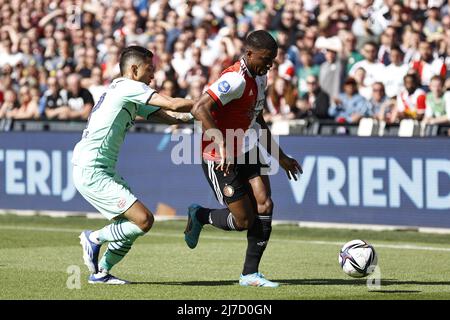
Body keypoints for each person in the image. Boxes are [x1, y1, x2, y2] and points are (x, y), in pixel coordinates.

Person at [184, 30, 302, 288]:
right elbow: (199, 108)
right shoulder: (235, 80)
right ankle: (200, 216)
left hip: (247, 147)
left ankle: (250, 274)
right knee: (243, 221)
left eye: (272, 60)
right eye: (265, 59)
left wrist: (280, 157)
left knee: (265, 205)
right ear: (249, 54)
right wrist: (221, 143)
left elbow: (257, 119)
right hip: (219, 155)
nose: (269, 65)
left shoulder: (261, 77)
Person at [73, 46, 194, 285]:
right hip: (92, 169)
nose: (153, 76)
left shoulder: (123, 90)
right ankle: (94, 238)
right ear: (134, 69)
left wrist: (194, 116)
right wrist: (212, 101)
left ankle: (101, 272)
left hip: (98, 168)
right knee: (143, 220)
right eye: (150, 70)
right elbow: (173, 104)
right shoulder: (129, 86)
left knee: (131, 225)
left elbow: (165, 115)